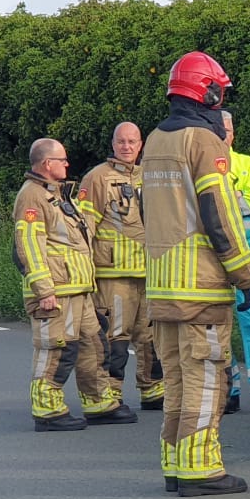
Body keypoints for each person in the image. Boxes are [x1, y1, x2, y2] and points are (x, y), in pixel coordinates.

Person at [141, 52, 250, 496]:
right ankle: (200, 470)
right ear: (206, 92)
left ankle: (174, 465)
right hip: (202, 287)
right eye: (219, 91)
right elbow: (220, 213)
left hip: (162, 286)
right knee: (207, 379)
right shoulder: (205, 143)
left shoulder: (155, 140)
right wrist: (244, 275)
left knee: (175, 379)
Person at [13, 138, 116, 431]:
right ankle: (47, 412)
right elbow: (29, 245)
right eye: (62, 160)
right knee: (56, 350)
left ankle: (99, 404)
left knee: (94, 346)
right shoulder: (32, 196)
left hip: (77, 289)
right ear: (47, 164)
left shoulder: (57, 194)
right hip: (56, 292)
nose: (67, 164)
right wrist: (43, 291)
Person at [79, 122, 157, 418]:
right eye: (121, 141)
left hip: (148, 272)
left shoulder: (150, 176)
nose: (126, 147)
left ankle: (152, 389)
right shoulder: (97, 178)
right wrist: (86, 269)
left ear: (141, 145)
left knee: (150, 335)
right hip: (113, 274)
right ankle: (111, 394)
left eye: (132, 141)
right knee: (116, 336)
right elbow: (84, 228)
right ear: (113, 144)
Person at [222, 110, 250, 414]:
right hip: (215, 261)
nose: (221, 134)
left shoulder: (248, 164)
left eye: (225, 128)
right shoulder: (200, 165)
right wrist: (233, 196)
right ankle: (228, 390)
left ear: (233, 133)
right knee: (218, 328)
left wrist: (226, 196)